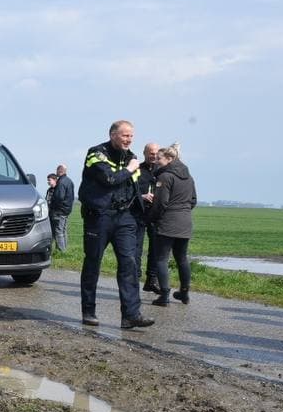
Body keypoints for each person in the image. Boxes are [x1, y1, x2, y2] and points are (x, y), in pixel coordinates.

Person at [78, 120, 154, 330]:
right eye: (125, 135)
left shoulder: (132, 158)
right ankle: (89, 311)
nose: (129, 139)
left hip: (124, 218)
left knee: (129, 263)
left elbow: (134, 188)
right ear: (113, 135)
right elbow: (109, 179)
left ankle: (131, 315)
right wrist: (130, 169)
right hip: (99, 217)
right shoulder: (96, 153)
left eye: (131, 136)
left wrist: (141, 214)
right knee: (93, 263)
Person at [143, 144, 197, 306]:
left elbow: (160, 204)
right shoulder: (189, 177)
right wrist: (183, 211)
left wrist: (150, 219)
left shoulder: (165, 177)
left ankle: (164, 295)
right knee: (182, 259)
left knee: (161, 259)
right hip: (185, 222)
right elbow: (193, 201)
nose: (156, 161)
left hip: (167, 223)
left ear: (170, 159)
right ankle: (184, 293)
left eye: (159, 158)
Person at [135, 142, 161, 293]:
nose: (154, 155)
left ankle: (152, 279)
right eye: (151, 153)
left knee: (156, 248)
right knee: (136, 247)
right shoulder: (137, 169)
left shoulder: (162, 171)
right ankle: (135, 279)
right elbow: (129, 190)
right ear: (145, 153)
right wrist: (142, 196)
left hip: (155, 214)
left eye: (156, 153)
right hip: (139, 213)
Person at [49, 164, 75, 252]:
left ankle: (61, 251)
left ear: (60, 171)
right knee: (63, 231)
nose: (56, 173)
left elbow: (59, 197)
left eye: (57, 170)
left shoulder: (61, 182)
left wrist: (53, 206)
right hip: (67, 210)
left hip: (59, 210)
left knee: (58, 231)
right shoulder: (69, 181)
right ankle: (64, 249)